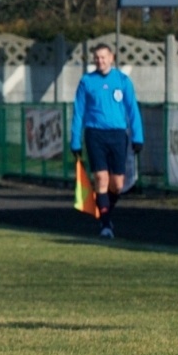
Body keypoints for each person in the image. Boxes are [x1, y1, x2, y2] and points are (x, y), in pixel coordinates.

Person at [70, 43, 143, 239]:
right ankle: (105, 225)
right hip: (95, 135)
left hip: (118, 135)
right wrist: (75, 141)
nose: (100, 61)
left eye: (103, 57)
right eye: (97, 57)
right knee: (101, 179)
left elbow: (132, 110)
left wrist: (138, 137)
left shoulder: (123, 80)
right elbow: (78, 112)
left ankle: (106, 215)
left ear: (112, 58)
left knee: (117, 184)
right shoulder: (87, 82)